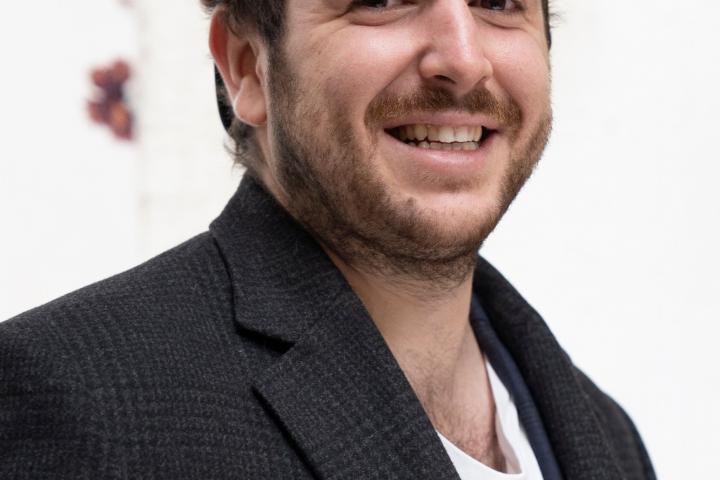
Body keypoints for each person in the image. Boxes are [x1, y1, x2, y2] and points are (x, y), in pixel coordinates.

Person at [0, 1, 656, 479]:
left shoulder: (608, 439)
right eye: (381, 1)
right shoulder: (77, 403)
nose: (462, 59)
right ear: (247, 67)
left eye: (499, 2)